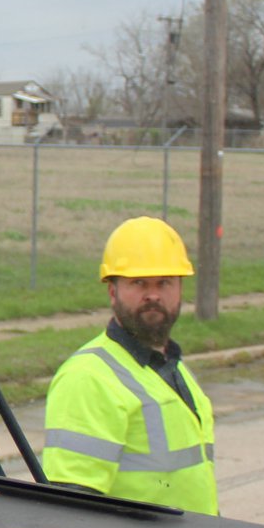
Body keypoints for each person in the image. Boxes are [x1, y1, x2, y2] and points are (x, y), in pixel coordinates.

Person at [41, 217, 218, 513]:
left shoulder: (174, 368)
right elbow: (72, 510)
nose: (153, 295)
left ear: (179, 290)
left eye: (164, 282)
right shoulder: (88, 377)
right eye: (139, 283)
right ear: (113, 292)